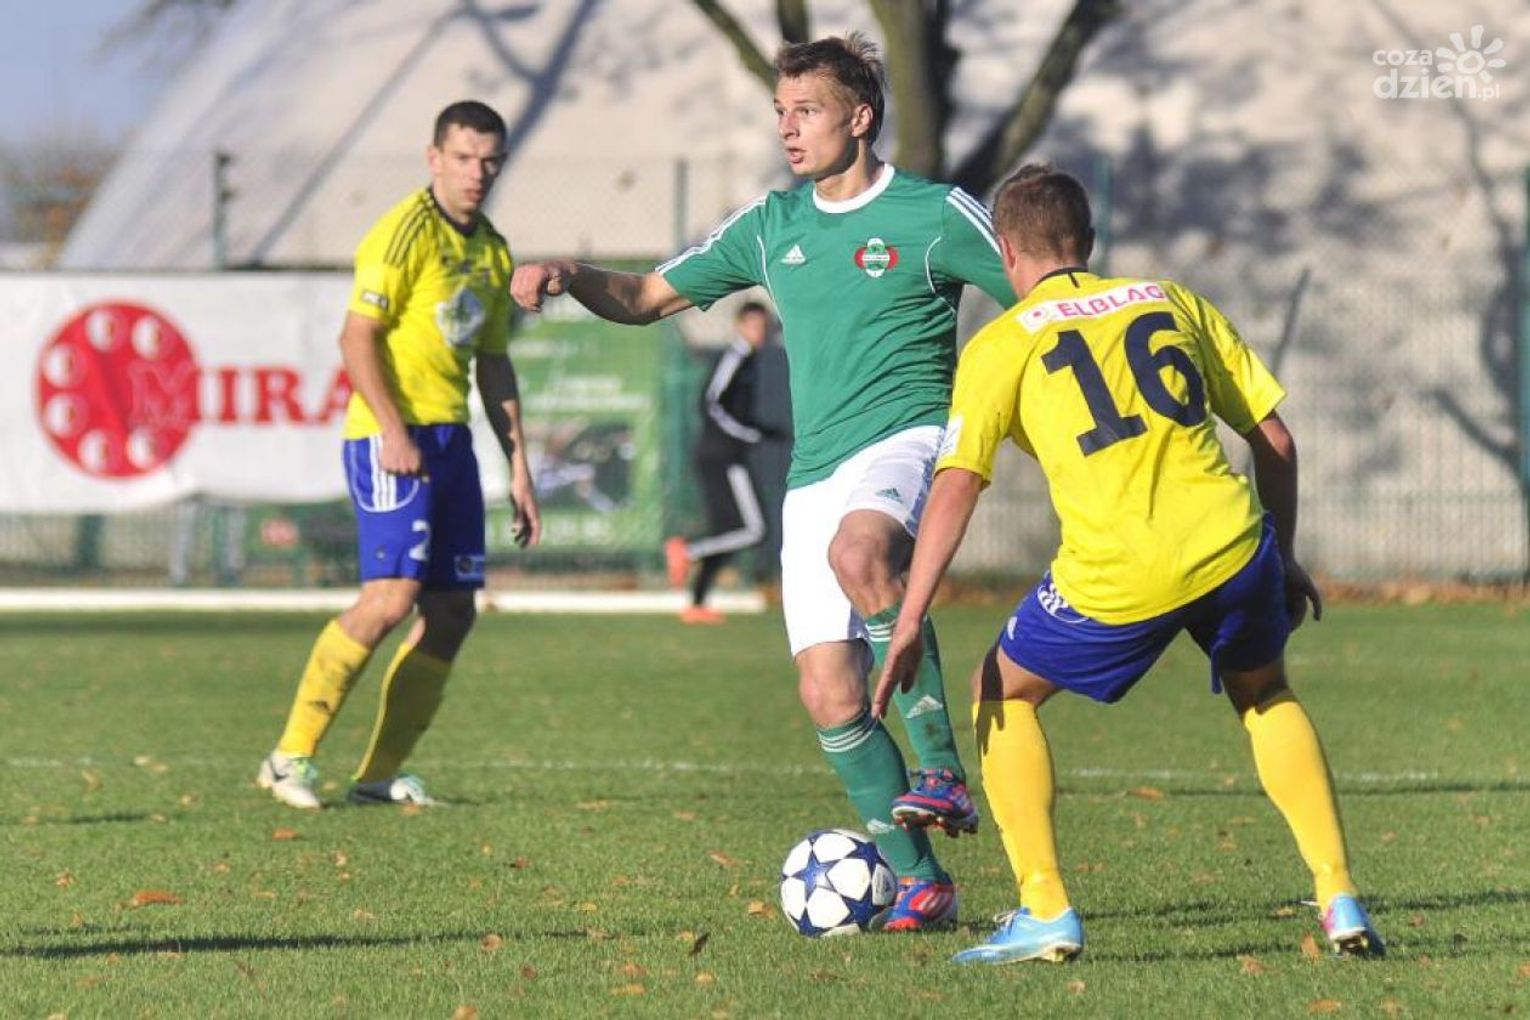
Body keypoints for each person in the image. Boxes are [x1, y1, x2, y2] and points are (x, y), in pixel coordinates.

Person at [514, 32, 1017, 931]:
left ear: (860, 118)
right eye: (780, 112)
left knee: (861, 553)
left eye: (806, 111)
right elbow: (646, 298)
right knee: (829, 695)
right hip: (813, 471)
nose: (787, 128)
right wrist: (571, 273)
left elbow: (1043, 294)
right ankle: (922, 883)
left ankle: (941, 768)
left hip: (908, 439)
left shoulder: (936, 213)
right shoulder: (771, 225)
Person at [874, 164, 1385, 963]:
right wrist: (1281, 554)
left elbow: (957, 485)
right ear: (1089, 240)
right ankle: (1339, 895)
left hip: (1119, 569)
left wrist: (909, 617)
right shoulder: (1170, 300)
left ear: (1005, 250)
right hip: (1232, 542)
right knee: (1264, 693)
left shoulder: (1002, 342)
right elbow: (1276, 440)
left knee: (1000, 691)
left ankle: (1045, 907)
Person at [257, 100, 540, 810]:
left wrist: (520, 468)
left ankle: (377, 779)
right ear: (434, 158)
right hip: (391, 439)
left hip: (450, 442)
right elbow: (356, 337)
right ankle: (288, 758)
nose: (477, 173)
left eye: (490, 161)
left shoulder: (492, 250)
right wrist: (392, 430)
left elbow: (494, 364)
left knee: (452, 613)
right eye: (464, 158)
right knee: (390, 599)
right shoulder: (403, 231)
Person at [665, 299, 778, 624]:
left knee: (725, 531)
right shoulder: (735, 356)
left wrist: (761, 431)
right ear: (740, 326)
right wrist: (748, 433)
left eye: (764, 326)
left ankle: (697, 603)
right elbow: (711, 402)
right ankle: (686, 550)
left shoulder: (750, 360)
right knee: (754, 530)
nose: (760, 332)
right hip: (723, 456)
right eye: (754, 325)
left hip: (725, 453)